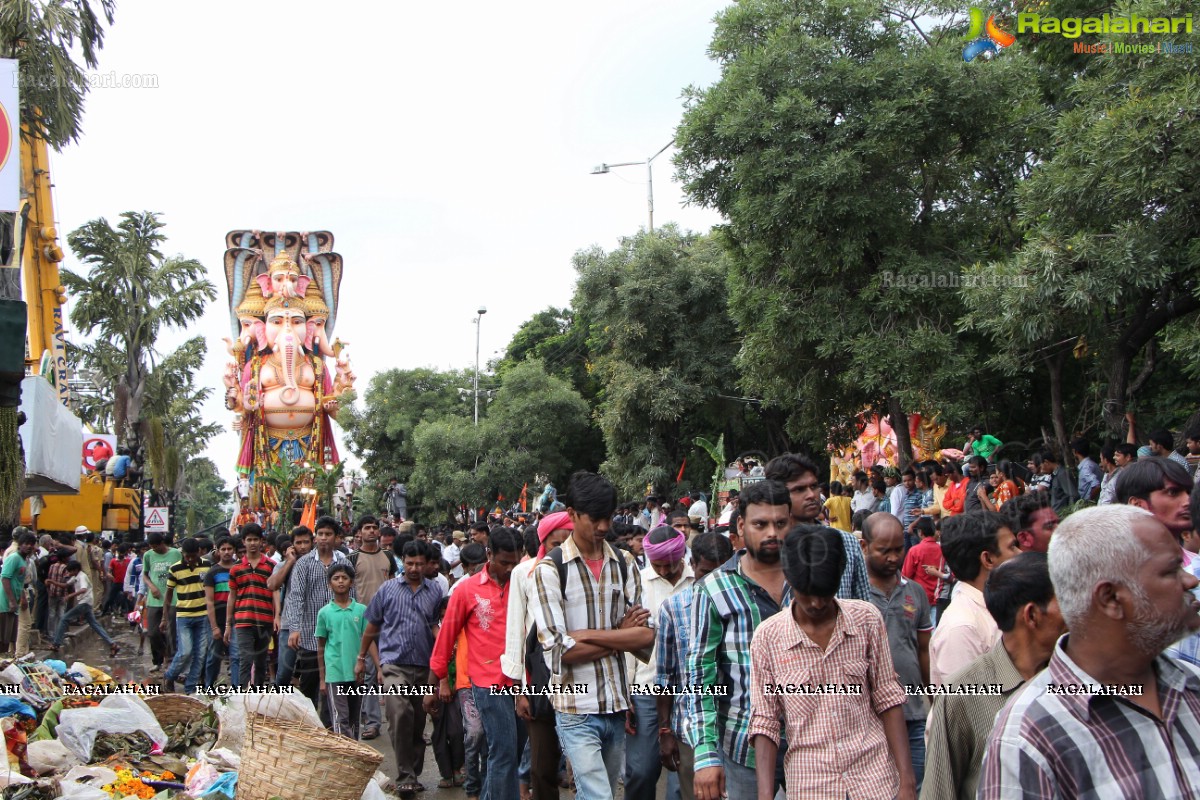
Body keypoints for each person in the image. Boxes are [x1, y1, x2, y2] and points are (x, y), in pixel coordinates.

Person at [979, 505, 1200, 798]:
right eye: (1171, 570)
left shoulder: (1192, 686)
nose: (1190, 580)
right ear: (1110, 598)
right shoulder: (1028, 738)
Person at [749, 525, 917, 800]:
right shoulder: (768, 639)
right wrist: (765, 796)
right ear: (789, 579)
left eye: (825, 594)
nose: (816, 603)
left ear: (840, 577)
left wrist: (907, 782)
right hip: (811, 785)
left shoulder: (866, 620)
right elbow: (765, 721)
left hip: (875, 780)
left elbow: (888, 698)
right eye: (807, 593)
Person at [529, 471, 654, 800]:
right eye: (594, 518)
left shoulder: (624, 563)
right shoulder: (550, 570)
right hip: (575, 706)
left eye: (608, 517)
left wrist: (585, 636)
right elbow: (559, 652)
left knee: (605, 793)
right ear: (571, 514)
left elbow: (644, 637)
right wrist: (617, 634)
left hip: (615, 705)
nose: (602, 527)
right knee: (597, 795)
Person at [921, 552, 1065, 800]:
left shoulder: (1079, 679)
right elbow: (939, 791)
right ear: (1031, 615)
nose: (1078, 609)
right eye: (1066, 599)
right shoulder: (961, 694)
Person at [689, 479, 793, 800]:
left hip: (811, 745)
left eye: (780, 523)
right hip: (742, 745)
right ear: (740, 525)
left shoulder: (810, 580)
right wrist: (706, 754)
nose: (772, 533)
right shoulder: (713, 589)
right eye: (760, 524)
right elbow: (699, 676)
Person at [428, 527, 524, 800]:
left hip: (523, 682)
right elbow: (446, 636)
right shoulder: (467, 589)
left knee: (513, 752)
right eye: (504, 562)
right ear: (489, 554)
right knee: (503, 750)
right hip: (487, 681)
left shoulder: (524, 582)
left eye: (515, 563)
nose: (509, 569)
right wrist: (436, 681)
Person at [356, 540, 445, 797]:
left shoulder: (434, 592)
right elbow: (371, 628)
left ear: (427, 564)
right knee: (399, 712)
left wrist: (444, 648)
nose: (414, 568)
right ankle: (405, 774)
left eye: (419, 563)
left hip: (424, 665)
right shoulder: (387, 590)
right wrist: (361, 658)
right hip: (394, 664)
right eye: (409, 563)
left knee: (417, 723)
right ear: (401, 561)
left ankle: (413, 772)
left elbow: (433, 626)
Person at [655, 532, 733, 800]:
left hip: (736, 727)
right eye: (705, 572)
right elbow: (665, 677)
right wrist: (664, 730)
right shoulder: (673, 608)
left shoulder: (743, 604)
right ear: (692, 565)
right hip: (691, 730)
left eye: (721, 572)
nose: (713, 581)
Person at [504, 514, 573, 800]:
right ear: (543, 543)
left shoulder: (583, 572)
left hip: (578, 674)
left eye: (566, 543)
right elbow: (516, 632)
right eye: (555, 544)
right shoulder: (523, 573)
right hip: (540, 677)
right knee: (542, 763)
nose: (561, 551)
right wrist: (520, 690)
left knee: (580, 763)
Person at [862, 513, 932, 791]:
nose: (893, 557)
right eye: (884, 550)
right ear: (865, 547)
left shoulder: (915, 593)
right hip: (868, 718)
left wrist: (932, 697)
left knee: (912, 788)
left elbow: (924, 650)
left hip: (913, 714)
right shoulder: (853, 595)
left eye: (898, 549)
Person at [625, 526, 695, 800]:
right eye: (658, 565)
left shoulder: (697, 579)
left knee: (683, 772)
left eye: (670, 565)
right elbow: (629, 643)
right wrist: (626, 691)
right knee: (641, 770)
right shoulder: (639, 584)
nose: (665, 571)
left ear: (681, 557)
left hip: (689, 689)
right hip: (646, 687)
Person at [1116, 457, 1199, 666]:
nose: (1187, 501)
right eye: (1173, 492)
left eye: (1188, 492)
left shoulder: (1196, 564)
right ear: (1137, 505)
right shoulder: (1118, 579)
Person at [928, 512, 1020, 683]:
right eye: (1012, 547)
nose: (1020, 554)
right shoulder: (962, 627)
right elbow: (968, 705)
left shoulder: (1003, 606)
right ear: (988, 559)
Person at [766, 453, 871, 600]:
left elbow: (864, 609)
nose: (811, 495)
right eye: (799, 489)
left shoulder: (847, 543)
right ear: (777, 495)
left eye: (814, 486)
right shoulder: (770, 547)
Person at [282, 516, 349, 708]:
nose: (324, 538)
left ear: (336, 537)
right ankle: (309, 726)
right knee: (309, 684)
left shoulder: (344, 561)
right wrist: (294, 629)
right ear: (315, 537)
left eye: (328, 534)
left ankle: (332, 726)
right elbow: (296, 597)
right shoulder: (304, 564)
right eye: (320, 534)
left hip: (338, 634)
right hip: (310, 635)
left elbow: (352, 596)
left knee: (336, 684)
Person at [347, 515, 396, 740]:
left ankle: (398, 720)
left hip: (389, 620)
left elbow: (396, 585)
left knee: (392, 670)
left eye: (374, 528)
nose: (371, 531)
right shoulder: (352, 558)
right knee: (367, 672)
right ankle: (373, 721)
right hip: (362, 621)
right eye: (366, 528)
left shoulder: (388, 556)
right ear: (360, 532)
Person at [317, 562, 376, 740]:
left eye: (344, 578)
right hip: (335, 673)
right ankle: (345, 755)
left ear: (352, 583)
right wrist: (322, 679)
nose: (340, 582)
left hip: (356, 672)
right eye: (336, 578)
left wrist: (379, 668)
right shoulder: (324, 613)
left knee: (354, 718)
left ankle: (354, 754)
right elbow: (321, 646)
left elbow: (369, 641)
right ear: (330, 584)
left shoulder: (361, 610)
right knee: (339, 717)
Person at [225, 524, 276, 688]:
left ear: (261, 542)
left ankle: (257, 696)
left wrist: (277, 617)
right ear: (243, 542)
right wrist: (228, 624)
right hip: (243, 621)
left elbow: (275, 592)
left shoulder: (271, 565)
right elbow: (232, 596)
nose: (252, 543)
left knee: (261, 662)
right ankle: (242, 698)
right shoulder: (236, 568)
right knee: (245, 660)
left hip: (265, 620)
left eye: (255, 539)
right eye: (249, 540)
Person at [162, 538, 211, 694]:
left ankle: (190, 687)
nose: (189, 559)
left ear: (199, 553)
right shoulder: (175, 569)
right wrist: (164, 618)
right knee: (185, 651)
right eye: (186, 556)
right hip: (183, 615)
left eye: (192, 556)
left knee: (200, 654)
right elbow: (168, 595)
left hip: (203, 615)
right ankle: (169, 676)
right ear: (182, 554)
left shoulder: (207, 566)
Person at [48, 561, 119, 656]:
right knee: (95, 625)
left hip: (84, 602)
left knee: (64, 618)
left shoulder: (82, 577)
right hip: (87, 603)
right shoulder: (76, 577)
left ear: (76, 570)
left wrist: (70, 596)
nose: (69, 573)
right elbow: (66, 585)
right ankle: (112, 644)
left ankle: (56, 644)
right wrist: (52, 582)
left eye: (70, 571)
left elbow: (83, 589)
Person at [141, 532, 181, 674]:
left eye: (155, 546)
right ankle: (159, 658)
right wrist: (151, 587)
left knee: (171, 632)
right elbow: (145, 575)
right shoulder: (148, 555)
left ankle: (170, 660)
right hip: (155, 600)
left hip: (173, 599)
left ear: (162, 544)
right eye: (151, 547)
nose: (154, 549)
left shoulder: (176, 554)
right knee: (152, 632)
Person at [204, 537, 240, 688]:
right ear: (217, 551)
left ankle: (237, 691)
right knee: (213, 657)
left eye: (229, 549)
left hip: (237, 619)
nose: (226, 552)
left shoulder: (239, 569)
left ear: (234, 551)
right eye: (223, 549)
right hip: (216, 620)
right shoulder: (212, 573)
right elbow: (209, 601)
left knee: (236, 656)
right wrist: (214, 627)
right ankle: (208, 688)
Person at [1, 532, 36, 655]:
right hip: (5, 602)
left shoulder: (23, 560)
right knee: (3, 636)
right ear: (20, 545)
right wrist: (11, 601)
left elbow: (19, 581)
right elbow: (5, 578)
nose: (29, 546)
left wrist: (20, 598)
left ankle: (10, 659)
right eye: (26, 544)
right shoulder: (14, 557)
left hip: (14, 601)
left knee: (10, 635)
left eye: (32, 544)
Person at [1073, 437, 1103, 503]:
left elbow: (1096, 485)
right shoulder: (1092, 464)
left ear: (1075, 452)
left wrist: (1088, 501)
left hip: (1089, 505)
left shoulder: (1085, 468)